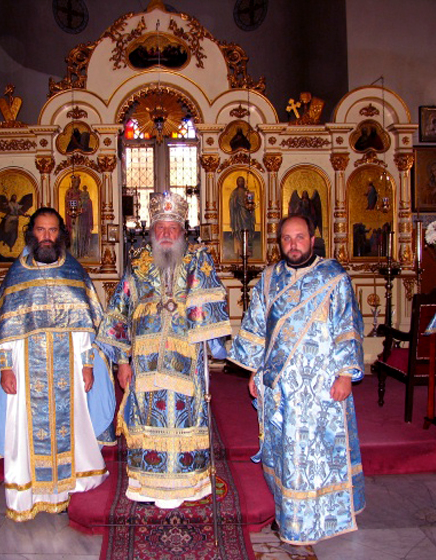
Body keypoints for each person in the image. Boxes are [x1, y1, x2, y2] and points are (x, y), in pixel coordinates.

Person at [228, 213, 365, 545]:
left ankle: (324, 519)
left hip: (321, 385)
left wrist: (345, 375)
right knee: (285, 454)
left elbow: (347, 328)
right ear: (280, 242)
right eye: (287, 238)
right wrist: (254, 372)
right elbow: (256, 328)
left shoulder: (333, 277)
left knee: (318, 455)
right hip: (281, 387)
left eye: (299, 237)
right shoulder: (269, 279)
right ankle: (288, 517)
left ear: (313, 239)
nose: (293, 244)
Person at [0, 207, 116, 521]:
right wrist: (6, 367)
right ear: (32, 233)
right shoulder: (18, 273)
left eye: (52, 230)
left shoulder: (73, 271)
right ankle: (27, 496)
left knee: (72, 424)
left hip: (69, 369)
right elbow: (4, 330)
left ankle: (66, 491)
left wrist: (87, 365)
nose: (46, 237)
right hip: (25, 369)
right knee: (24, 431)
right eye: (41, 230)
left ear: (61, 234)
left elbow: (87, 327)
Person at [95, 191, 231, 508]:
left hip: (187, 359)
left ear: (183, 231)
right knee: (146, 419)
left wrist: (214, 344)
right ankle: (146, 484)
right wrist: (122, 361)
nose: (167, 234)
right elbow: (120, 311)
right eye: (161, 227)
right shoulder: (138, 263)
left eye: (173, 228)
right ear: (152, 231)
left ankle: (188, 485)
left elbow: (208, 306)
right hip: (145, 362)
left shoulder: (198, 259)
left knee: (185, 418)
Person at [229, 176, 256, 256]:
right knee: (239, 229)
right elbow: (232, 204)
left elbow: (251, 204)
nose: (240, 182)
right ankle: (240, 248)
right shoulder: (234, 192)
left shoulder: (247, 192)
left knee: (247, 228)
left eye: (242, 181)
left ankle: (247, 247)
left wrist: (249, 205)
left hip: (246, 214)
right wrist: (234, 201)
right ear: (237, 182)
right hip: (238, 215)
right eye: (239, 181)